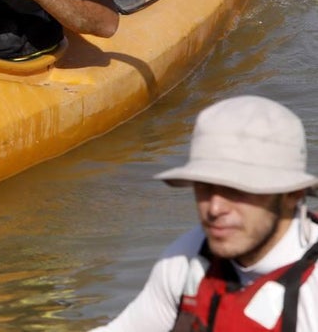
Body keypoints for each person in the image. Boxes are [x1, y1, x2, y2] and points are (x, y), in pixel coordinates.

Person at [92, 95, 318, 332]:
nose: (214, 208)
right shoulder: (187, 258)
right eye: (204, 187)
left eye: (236, 189)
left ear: (292, 194)